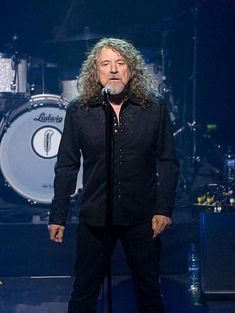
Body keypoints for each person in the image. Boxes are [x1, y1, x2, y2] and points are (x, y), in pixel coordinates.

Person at [48, 38, 179, 313]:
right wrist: (58, 214)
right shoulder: (79, 110)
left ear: (132, 69)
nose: (114, 70)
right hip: (96, 216)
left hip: (142, 216)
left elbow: (168, 161)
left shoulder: (154, 107)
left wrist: (164, 208)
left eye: (120, 63)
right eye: (106, 64)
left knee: (149, 292)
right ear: (95, 72)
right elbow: (67, 165)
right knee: (84, 292)